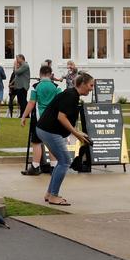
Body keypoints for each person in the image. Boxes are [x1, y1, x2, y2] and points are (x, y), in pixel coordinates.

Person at [35, 73, 94, 207]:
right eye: (91, 85)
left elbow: (66, 117)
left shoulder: (72, 94)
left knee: (62, 161)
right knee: (65, 161)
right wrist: (76, 134)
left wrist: (77, 132)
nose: (91, 88)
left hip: (46, 130)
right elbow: (61, 117)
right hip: (49, 131)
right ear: (83, 84)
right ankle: (53, 196)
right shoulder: (71, 95)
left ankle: (50, 193)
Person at [20, 64, 59, 175]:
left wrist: (24, 116)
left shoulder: (35, 86)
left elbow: (32, 102)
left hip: (39, 118)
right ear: (51, 75)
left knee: (36, 142)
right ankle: (54, 166)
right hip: (53, 119)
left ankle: (35, 166)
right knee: (51, 143)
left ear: (40, 74)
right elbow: (61, 101)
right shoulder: (57, 87)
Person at [8, 55, 30, 120]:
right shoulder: (22, 65)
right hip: (19, 86)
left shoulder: (25, 65)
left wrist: (15, 66)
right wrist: (11, 83)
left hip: (23, 86)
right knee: (21, 101)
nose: (16, 60)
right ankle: (23, 114)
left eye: (17, 59)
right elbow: (16, 76)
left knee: (23, 101)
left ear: (21, 58)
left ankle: (25, 115)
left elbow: (16, 72)